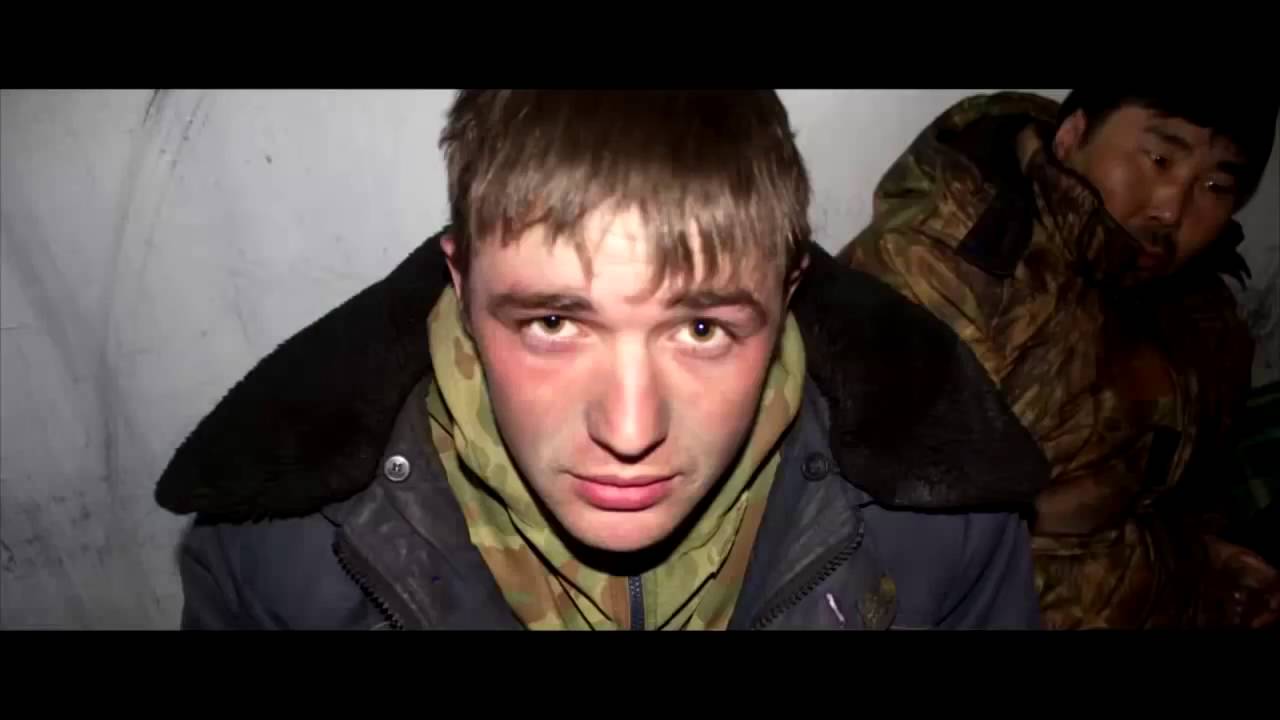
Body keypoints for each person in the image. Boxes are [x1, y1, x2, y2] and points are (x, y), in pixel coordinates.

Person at [155, 90, 1049, 630]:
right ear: (460, 282)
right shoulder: (279, 566)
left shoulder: (944, 533)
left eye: (702, 330)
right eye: (553, 321)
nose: (628, 432)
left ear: (788, 293)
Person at [838, 89, 1280, 629]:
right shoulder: (952, 283)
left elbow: (1167, 486)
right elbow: (893, 568)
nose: (1172, 209)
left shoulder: (1190, 299)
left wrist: (1202, 561)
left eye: (1215, 186)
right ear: (1072, 136)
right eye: (1160, 158)